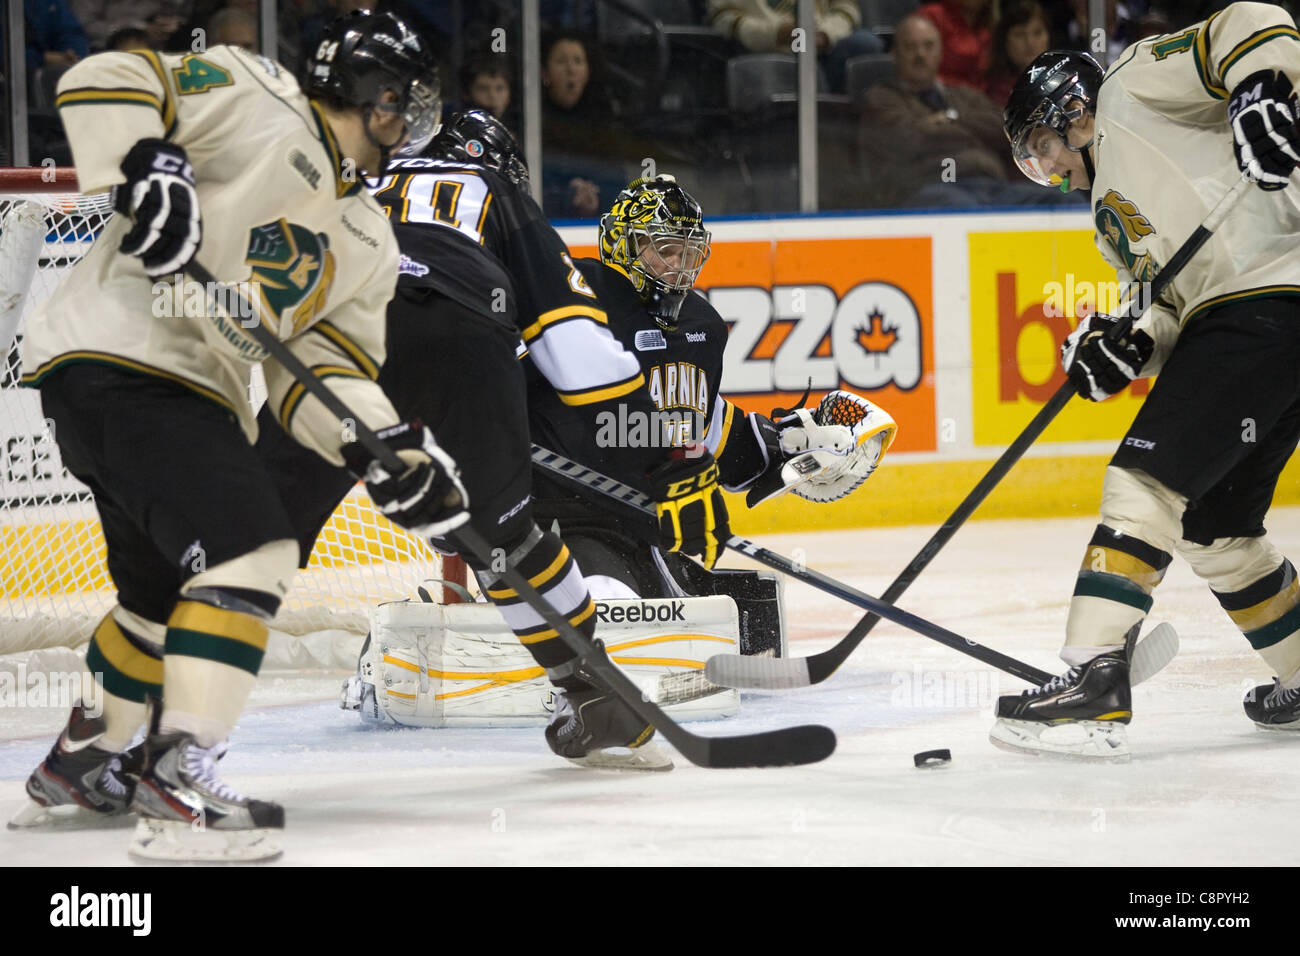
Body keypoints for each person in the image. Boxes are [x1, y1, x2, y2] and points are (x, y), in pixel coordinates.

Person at [9, 11, 454, 861]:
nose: (410, 123)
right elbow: (104, 77)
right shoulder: (256, 91)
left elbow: (316, 380)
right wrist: (152, 162)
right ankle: (176, 784)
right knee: (254, 550)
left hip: (167, 395)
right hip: (122, 356)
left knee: (152, 604)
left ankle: (81, 761)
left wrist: (387, 448)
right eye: (405, 101)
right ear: (376, 94)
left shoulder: (365, 238)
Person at [255, 110, 731, 770]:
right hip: (455, 342)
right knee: (507, 540)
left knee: (250, 541)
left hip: (330, 343)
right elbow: (578, 353)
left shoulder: (351, 178)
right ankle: (597, 698)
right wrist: (670, 462)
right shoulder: (498, 197)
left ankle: (133, 723)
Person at [992, 3, 1300, 760]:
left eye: (1042, 146)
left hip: (1269, 296)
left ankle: (1096, 675)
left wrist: (1261, 92)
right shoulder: (1106, 211)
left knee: (1145, 482)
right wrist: (1127, 343)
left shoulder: (1131, 85)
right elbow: (1174, 303)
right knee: (1215, 528)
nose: (1049, 167)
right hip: (1260, 319)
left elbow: (1252, 21)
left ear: (1072, 112)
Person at [525, 173, 896, 649]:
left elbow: (700, 425)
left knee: (747, 617)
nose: (679, 267)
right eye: (665, 249)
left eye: (688, 253)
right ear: (623, 244)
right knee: (609, 609)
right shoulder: (579, 300)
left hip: (645, 529)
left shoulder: (700, 327)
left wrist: (784, 447)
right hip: (562, 519)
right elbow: (497, 382)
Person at [857, 14, 1018, 207]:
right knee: (966, 210)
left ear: (941, 52)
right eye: (910, 47)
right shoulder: (882, 99)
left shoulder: (963, 95)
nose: (920, 54)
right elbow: (908, 141)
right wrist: (974, 132)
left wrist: (948, 120)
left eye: (928, 46)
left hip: (991, 185)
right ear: (894, 54)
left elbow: (1006, 128)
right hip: (928, 188)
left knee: (1057, 200)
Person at [705, 0, 883, 92]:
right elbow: (724, 19)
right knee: (808, 72)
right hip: (767, 48)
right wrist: (776, 33)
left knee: (866, 44)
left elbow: (846, 9)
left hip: (821, 44)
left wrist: (825, 35)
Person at [984, 0, 1051, 107]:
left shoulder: (1064, 81)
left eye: (1037, 33)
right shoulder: (990, 89)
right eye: (1019, 34)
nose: (1030, 43)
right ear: (1004, 40)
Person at [916, 0, 993, 92]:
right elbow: (918, 67)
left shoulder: (988, 27)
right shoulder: (934, 14)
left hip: (976, 97)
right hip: (936, 93)